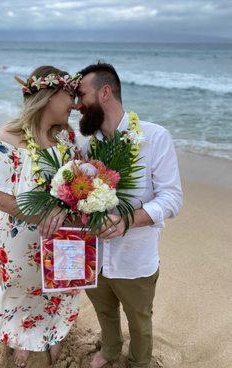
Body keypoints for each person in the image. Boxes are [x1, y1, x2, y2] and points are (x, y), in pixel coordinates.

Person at [75, 62, 183, 368]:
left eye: (82, 96)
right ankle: (110, 350)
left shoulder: (154, 137)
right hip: (95, 255)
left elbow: (172, 198)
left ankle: (138, 362)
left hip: (135, 257)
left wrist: (127, 220)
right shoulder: (86, 146)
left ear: (105, 92)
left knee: (139, 319)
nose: (77, 105)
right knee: (104, 311)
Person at [0, 66, 80, 368]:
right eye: (70, 95)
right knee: (23, 286)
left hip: (64, 232)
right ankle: (22, 336)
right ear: (50, 95)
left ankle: (55, 332)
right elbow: (2, 200)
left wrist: (64, 210)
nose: (75, 103)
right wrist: (45, 214)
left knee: (63, 287)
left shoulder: (68, 141)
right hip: (20, 235)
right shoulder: (7, 137)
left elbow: (76, 190)